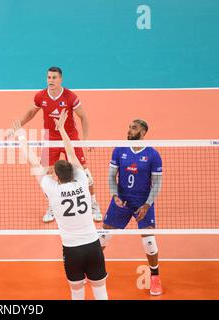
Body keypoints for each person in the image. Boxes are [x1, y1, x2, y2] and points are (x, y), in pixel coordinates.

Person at [13, 109, 108, 300]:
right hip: (92, 245)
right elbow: (71, 151)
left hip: (72, 250)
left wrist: (20, 136)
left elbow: (33, 162)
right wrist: (62, 129)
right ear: (73, 171)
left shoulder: (52, 189)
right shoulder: (82, 180)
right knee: (100, 289)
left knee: (76, 292)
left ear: (56, 176)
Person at [11, 66, 102, 223]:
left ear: (61, 79)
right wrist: (19, 126)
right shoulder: (41, 96)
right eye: (48, 77)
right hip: (50, 138)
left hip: (70, 138)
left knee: (84, 172)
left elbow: (83, 116)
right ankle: (53, 205)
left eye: (54, 78)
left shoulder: (70, 96)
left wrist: (86, 139)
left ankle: (93, 204)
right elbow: (31, 113)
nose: (50, 80)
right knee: (45, 173)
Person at [100, 119, 163, 296]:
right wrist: (114, 195)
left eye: (134, 128)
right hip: (121, 200)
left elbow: (157, 183)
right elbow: (112, 176)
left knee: (149, 240)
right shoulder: (119, 150)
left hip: (143, 202)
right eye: (129, 127)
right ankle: (94, 269)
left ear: (143, 132)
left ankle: (155, 276)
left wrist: (148, 204)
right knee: (103, 236)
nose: (129, 130)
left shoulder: (152, 154)